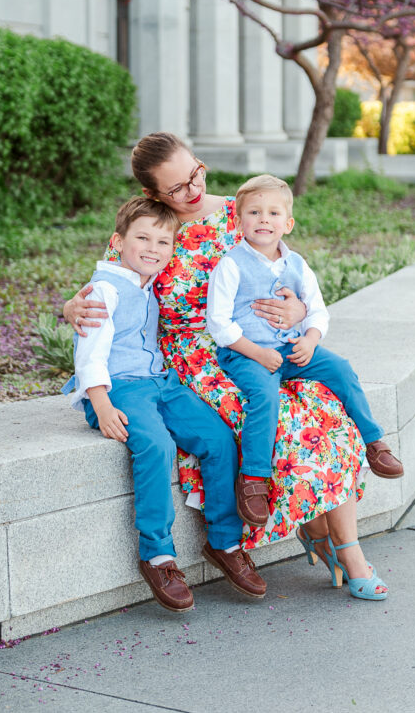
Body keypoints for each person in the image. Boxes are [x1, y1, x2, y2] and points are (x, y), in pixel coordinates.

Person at [65, 133, 390, 600]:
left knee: (325, 404)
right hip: (191, 358)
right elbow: (106, 292)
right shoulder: (151, 228)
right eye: (176, 188)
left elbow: (286, 266)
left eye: (195, 172)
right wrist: (69, 308)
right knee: (280, 420)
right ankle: (324, 545)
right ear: (155, 195)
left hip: (259, 340)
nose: (192, 189)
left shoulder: (239, 212)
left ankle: (339, 543)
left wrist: (299, 312)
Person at [63, 195, 267, 613]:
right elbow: (90, 352)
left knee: (218, 437)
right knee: (156, 446)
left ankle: (225, 542)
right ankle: (158, 555)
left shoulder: (148, 280)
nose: (153, 249)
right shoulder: (105, 289)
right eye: (143, 238)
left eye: (163, 242)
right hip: (118, 388)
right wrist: (100, 404)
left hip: (161, 381)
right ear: (117, 242)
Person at [207, 173, 404, 530]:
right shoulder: (231, 264)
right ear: (238, 222)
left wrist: (311, 340)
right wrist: (257, 353)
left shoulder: (297, 264)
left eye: (273, 213)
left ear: (288, 223)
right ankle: (253, 478)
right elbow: (219, 324)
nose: (263, 219)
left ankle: (374, 442)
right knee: (264, 396)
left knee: (340, 369)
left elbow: (317, 310)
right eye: (253, 212)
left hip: (293, 349)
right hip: (245, 353)